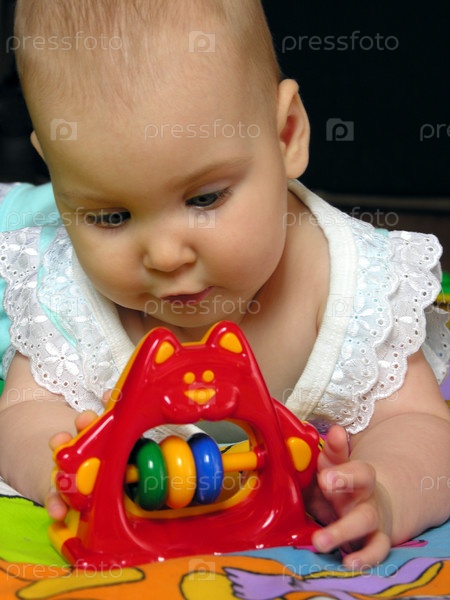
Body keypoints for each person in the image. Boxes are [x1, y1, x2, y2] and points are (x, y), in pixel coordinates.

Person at [0, 0, 449, 570]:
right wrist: (60, 470)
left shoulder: (353, 289)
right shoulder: (66, 291)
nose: (165, 256)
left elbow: (419, 424)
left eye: (205, 198)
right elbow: (23, 411)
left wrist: (386, 490)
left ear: (286, 134)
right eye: (110, 216)